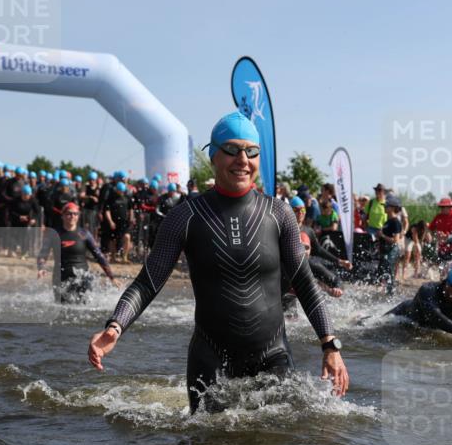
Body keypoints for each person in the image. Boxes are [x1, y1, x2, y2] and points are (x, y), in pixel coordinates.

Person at [88, 109, 348, 413]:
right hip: (209, 360)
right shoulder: (185, 217)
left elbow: (304, 283)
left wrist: (330, 345)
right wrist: (115, 326)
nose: (243, 160)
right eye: (232, 150)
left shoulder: (279, 214)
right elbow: (148, 282)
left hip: (273, 356)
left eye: (251, 152)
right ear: (213, 156)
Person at [38, 202, 118, 303]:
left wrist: (111, 277)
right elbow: (43, 253)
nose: (72, 216)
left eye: (75, 214)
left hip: (82, 277)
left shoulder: (84, 234)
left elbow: (99, 256)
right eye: (69, 214)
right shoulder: (54, 234)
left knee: (83, 307)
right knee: (61, 308)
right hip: (61, 278)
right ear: (62, 215)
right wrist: (41, 268)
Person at [385, 263, 452, 342]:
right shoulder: (428, 291)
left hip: (425, 326)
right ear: (447, 284)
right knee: (378, 325)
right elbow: (435, 317)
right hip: (402, 316)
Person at [377, 195, 404, 295]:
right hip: (386, 250)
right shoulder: (388, 221)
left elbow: (395, 240)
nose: (384, 207)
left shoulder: (395, 222)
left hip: (392, 251)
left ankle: (390, 295)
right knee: (384, 272)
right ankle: (385, 293)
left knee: (389, 273)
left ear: (392, 207)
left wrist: (382, 235)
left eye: (386, 206)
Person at [428, 196, 452, 263]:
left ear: (449, 207)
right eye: (441, 207)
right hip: (442, 246)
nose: (441, 209)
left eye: (443, 207)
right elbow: (431, 228)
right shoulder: (438, 216)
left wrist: (449, 236)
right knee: (442, 266)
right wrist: (435, 235)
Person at [103, 181, 134, 263]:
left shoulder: (127, 198)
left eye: (122, 191)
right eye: (119, 191)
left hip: (124, 222)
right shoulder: (111, 198)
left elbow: (130, 209)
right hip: (114, 222)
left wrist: (131, 218)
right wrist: (110, 221)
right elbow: (107, 211)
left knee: (127, 237)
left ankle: (124, 257)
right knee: (113, 240)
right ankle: (113, 257)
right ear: (116, 190)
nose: (121, 193)